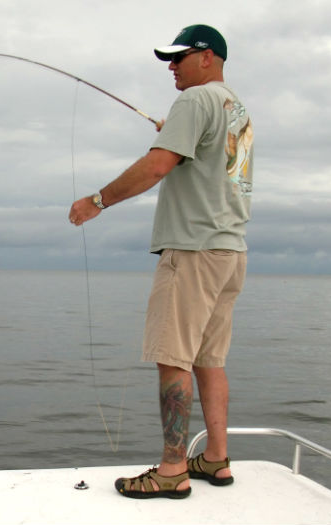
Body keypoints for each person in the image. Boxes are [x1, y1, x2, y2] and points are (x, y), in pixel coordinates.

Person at [68, 24, 254, 500]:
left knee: (174, 359)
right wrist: (176, 136)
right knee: (210, 359)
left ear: (207, 57)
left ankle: (172, 469)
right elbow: (210, 162)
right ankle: (215, 458)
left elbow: (156, 166)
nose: (171, 67)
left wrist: (98, 200)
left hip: (192, 252)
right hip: (230, 252)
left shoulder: (194, 102)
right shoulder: (238, 110)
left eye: (179, 57)